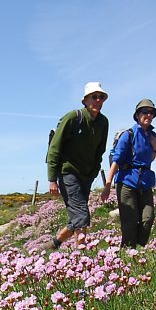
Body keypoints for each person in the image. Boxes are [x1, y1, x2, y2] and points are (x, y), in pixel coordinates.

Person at [45, 82, 110, 250]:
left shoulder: (103, 122)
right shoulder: (73, 118)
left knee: (77, 216)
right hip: (68, 173)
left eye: (101, 97)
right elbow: (54, 148)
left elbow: (100, 150)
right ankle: (81, 259)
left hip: (87, 175)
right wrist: (52, 179)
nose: (98, 100)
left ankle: (54, 243)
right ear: (86, 100)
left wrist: (95, 171)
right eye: (94, 97)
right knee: (81, 214)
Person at [101, 98, 156, 248]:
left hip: (145, 182)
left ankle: (135, 248)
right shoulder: (129, 134)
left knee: (148, 218)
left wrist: (154, 148)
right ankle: (128, 253)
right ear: (138, 115)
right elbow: (117, 160)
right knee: (130, 222)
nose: (148, 115)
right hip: (127, 182)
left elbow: (150, 159)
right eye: (145, 112)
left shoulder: (152, 136)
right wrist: (108, 184)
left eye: (151, 112)